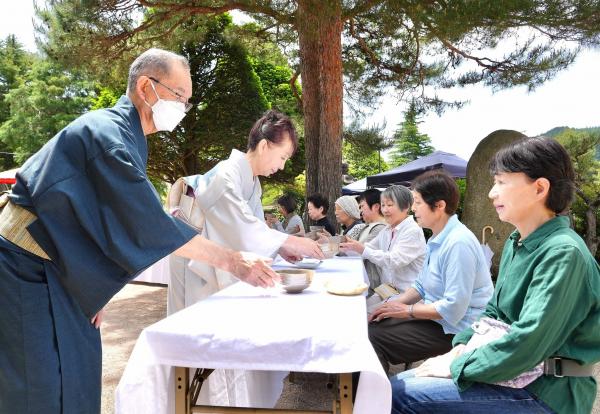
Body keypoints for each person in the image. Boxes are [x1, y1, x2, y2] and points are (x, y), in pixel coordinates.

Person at [0, 48, 279, 414]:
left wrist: (93, 289)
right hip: (25, 267)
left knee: (77, 376)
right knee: (39, 387)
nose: (183, 108)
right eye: (180, 96)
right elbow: (149, 224)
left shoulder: (126, 138)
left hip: (62, 273)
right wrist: (233, 261)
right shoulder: (107, 136)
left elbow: (100, 223)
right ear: (147, 87)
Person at [391, 137, 600, 414]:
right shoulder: (519, 241)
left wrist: (458, 366)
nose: (492, 193)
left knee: (402, 395)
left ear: (539, 188)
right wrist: (460, 347)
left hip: (548, 391)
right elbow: (493, 313)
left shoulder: (563, 252)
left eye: (501, 182)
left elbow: (528, 343)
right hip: (514, 375)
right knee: (396, 386)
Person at [168, 109, 323, 407]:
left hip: (216, 264)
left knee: (226, 348)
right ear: (264, 146)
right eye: (282, 157)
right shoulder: (226, 175)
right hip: (196, 266)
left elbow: (251, 229)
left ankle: (231, 402)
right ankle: (199, 404)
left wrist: (280, 247)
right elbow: (241, 228)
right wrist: (290, 240)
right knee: (201, 345)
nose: (282, 165)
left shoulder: (252, 180)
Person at [366, 171, 494, 373]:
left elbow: (454, 308)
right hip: (436, 319)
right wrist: (392, 305)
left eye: (417, 202)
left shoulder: (458, 243)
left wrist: (407, 311)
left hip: (458, 329)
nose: (414, 208)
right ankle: (375, 394)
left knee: (372, 338)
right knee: (374, 323)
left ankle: (379, 399)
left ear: (440, 206)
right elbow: (420, 285)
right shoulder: (438, 237)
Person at [341, 185, 426, 297]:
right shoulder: (387, 229)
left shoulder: (412, 231)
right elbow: (368, 248)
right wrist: (343, 246)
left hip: (407, 294)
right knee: (355, 301)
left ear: (405, 207)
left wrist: (362, 249)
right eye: (383, 205)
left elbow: (394, 261)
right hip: (388, 290)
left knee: (362, 309)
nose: (385, 210)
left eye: (390, 205)